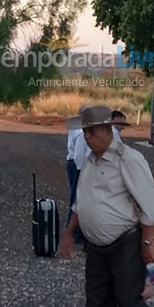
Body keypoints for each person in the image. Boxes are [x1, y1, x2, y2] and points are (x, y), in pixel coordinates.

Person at [60, 107, 154, 307]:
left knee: (129, 300)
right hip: (96, 247)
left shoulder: (129, 159)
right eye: (84, 132)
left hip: (124, 243)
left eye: (91, 132)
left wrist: (148, 244)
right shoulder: (90, 160)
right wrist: (69, 234)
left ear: (108, 131)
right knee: (96, 301)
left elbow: (151, 205)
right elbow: (81, 203)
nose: (87, 137)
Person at [66, 104, 87, 244]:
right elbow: (80, 154)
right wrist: (82, 171)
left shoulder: (76, 128)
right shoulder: (81, 132)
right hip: (77, 166)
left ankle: (74, 230)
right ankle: (76, 233)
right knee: (78, 199)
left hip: (73, 164)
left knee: (76, 197)